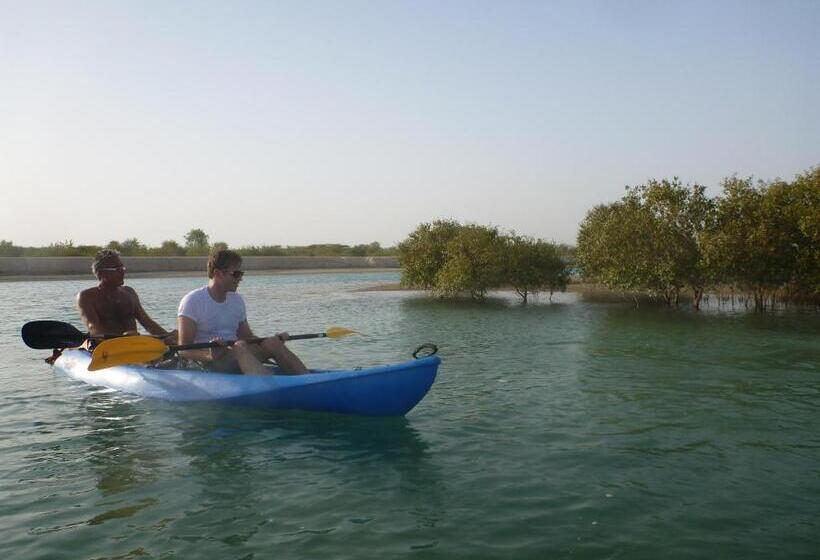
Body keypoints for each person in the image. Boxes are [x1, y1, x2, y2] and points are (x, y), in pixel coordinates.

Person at [177, 249, 308, 375]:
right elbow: (183, 350)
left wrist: (275, 339)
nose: (240, 278)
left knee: (271, 343)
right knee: (240, 346)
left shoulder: (237, 300)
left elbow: (248, 338)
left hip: (235, 355)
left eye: (241, 274)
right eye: (236, 274)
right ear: (218, 274)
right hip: (208, 363)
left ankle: (307, 379)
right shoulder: (192, 301)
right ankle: (266, 387)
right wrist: (209, 355)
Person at [77, 249, 177, 343]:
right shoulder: (87, 297)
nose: (122, 271)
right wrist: (123, 339)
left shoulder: (129, 293)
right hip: (106, 348)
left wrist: (167, 336)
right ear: (101, 273)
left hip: (134, 346)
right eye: (116, 268)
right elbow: (94, 329)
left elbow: (147, 323)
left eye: (122, 267)